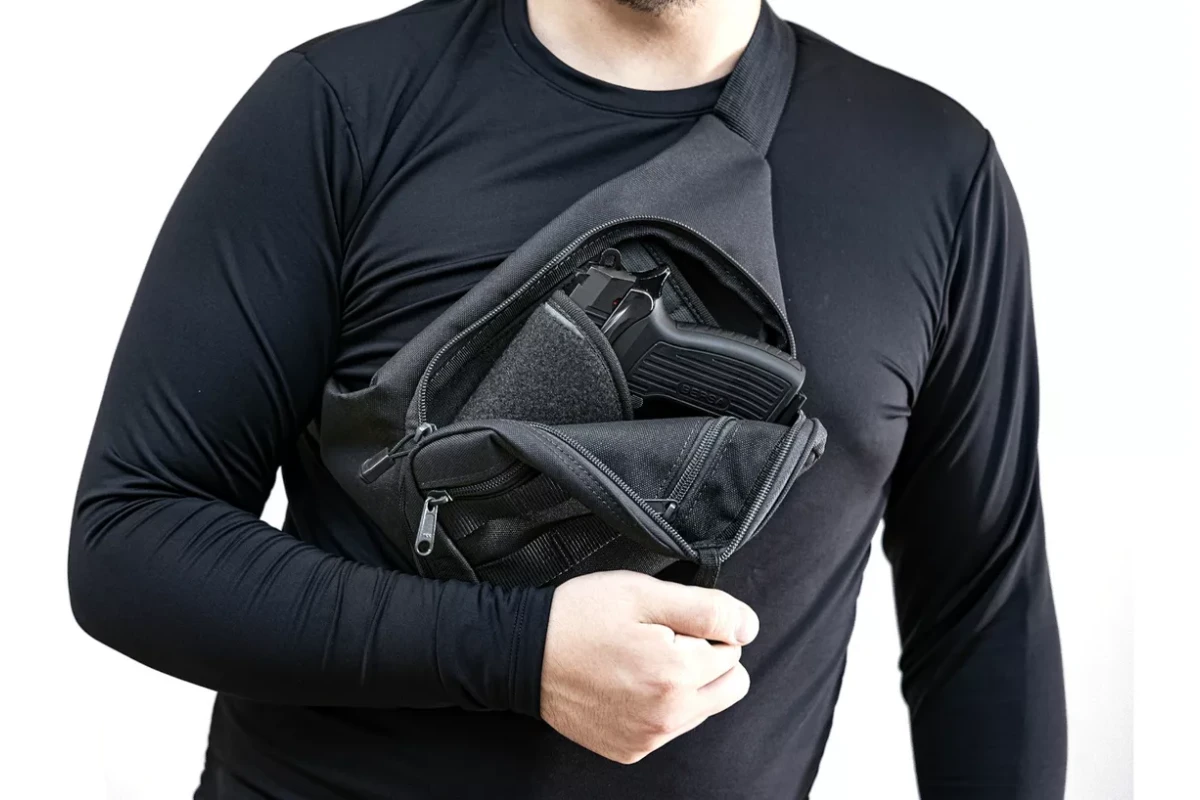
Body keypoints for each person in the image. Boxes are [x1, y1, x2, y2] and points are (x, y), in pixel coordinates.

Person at [69, 0, 1067, 797]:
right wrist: (519, 651)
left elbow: (982, 614)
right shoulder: (339, 107)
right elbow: (133, 537)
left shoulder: (934, 174)